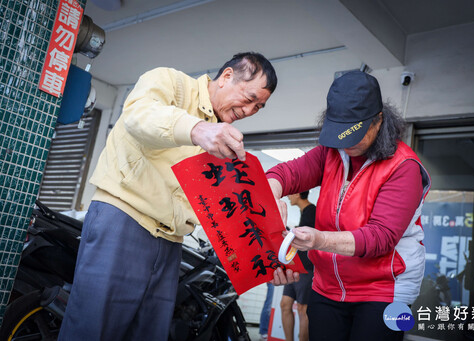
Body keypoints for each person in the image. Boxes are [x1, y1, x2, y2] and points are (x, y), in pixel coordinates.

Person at [58, 52, 278, 341]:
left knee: (149, 333)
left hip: (171, 243)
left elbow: (221, 211)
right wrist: (197, 129)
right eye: (249, 98)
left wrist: (269, 252)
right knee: (93, 329)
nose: (250, 110)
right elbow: (139, 116)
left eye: (258, 107)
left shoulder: (221, 141)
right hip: (123, 222)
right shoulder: (171, 83)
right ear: (227, 76)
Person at [267, 71, 431, 341]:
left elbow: (380, 237)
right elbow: (287, 174)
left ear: (378, 120)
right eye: (340, 132)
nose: (346, 142)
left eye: (355, 132)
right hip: (328, 286)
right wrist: (273, 193)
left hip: (385, 290)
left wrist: (318, 239)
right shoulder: (333, 151)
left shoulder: (404, 167)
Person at [280, 191, 316, 341]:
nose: (288, 196)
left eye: (291, 193)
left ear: (298, 194)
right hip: (295, 268)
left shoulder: (312, 211)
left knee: (303, 309)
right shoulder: (304, 212)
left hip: (307, 269)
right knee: (285, 305)